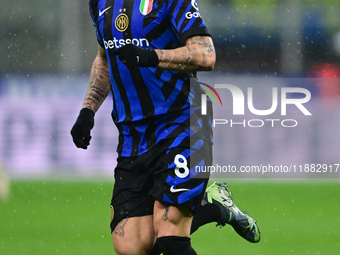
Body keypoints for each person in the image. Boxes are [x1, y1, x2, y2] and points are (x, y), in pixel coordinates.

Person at [71, 0, 260, 254]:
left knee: (170, 236)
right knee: (131, 246)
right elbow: (105, 59)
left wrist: (150, 56)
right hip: (133, 136)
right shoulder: (99, 3)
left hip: (183, 123)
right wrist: (87, 110)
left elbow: (206, 54)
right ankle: (212, 205)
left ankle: (197, 207)